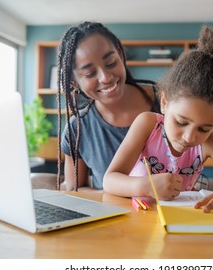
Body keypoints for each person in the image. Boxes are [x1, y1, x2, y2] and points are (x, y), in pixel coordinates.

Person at [103, 23, 213, 214]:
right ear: (164, 102)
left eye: (204, 128)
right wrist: (146, 186)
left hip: (181, 223)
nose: (190, 138)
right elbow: (109, 180)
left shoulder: (210, 143)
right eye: (181, 122)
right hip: (137, 218)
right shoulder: (148, 124)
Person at [57, 21, 159, 191]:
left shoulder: (167, 102)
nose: (105, 77)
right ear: (74, 82)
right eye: (90, 73)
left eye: (111, 63)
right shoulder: (78, 129)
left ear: (120, 55)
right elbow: (76, 190)